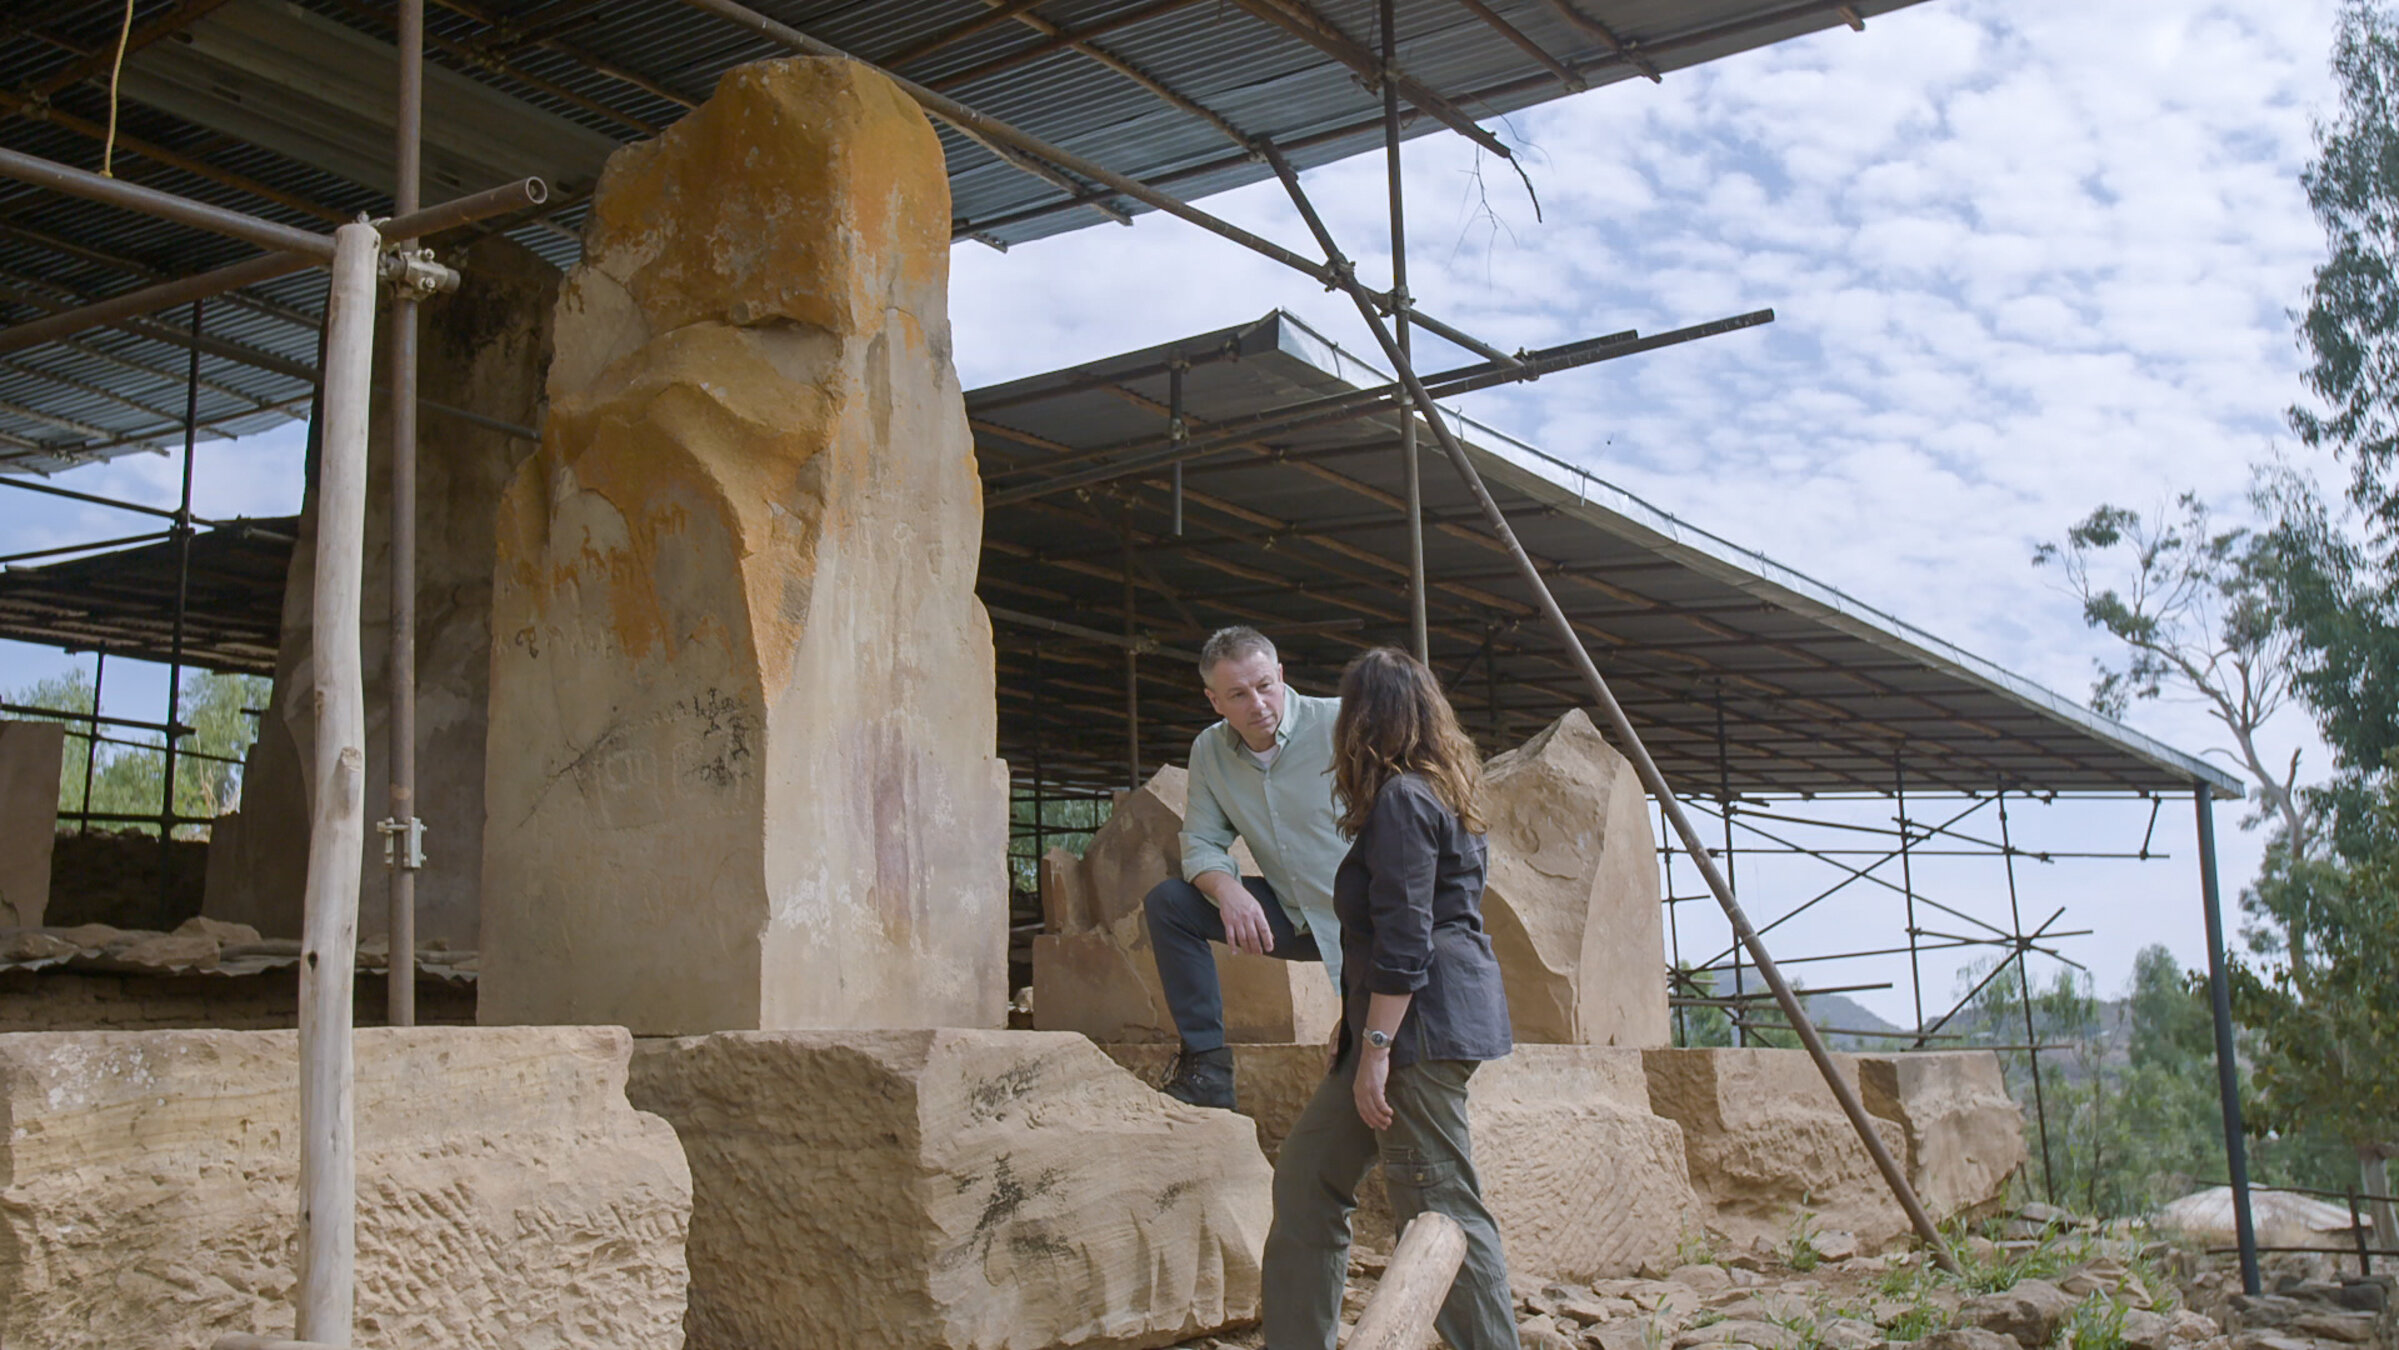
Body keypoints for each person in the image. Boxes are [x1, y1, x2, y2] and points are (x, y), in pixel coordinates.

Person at [1263, 646, 1517, 1350]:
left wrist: (1376, 1047)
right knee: (1309, 1176)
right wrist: (1356, 1035)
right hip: (1404, 1024)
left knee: (1440, 1206)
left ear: (1363, 722)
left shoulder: (1405, 800)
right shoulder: (1437, 792)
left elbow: (1407, 938)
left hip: (1416, 1032)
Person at [1144, 626, 1349, 1111]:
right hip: (1292, 916)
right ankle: (1207, 1071)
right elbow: (1200, 842)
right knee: (1170, 903)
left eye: (1264, 686)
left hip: (1368, 923)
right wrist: (1227, 889)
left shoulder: (1342, 724)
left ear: (1281, 674)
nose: (1257, 704)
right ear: (1214, 701)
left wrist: (1359, 1013)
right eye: (1238, 694)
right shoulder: (1209, 752)